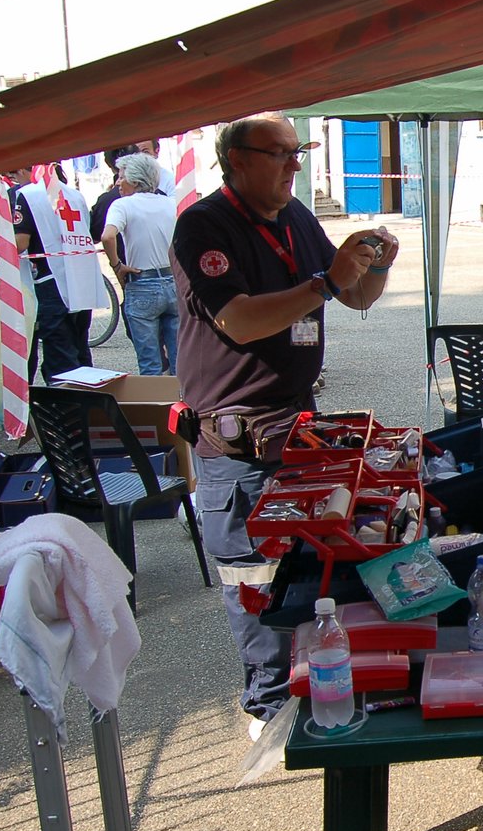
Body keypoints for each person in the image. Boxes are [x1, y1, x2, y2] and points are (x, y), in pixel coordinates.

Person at [171, 112, 400, 738]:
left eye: (298, 153)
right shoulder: (203, 226)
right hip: (237, 441)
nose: (294, 165)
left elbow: (353, 298)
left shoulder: (297, 217)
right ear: (236, 158)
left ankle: (306, 680)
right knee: (252, 576)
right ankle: (268, 704)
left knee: (308, 563)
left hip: (297, 427)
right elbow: (240, 321)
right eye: (280, 154)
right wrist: (328, 281)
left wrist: (373, 266)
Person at [9, 163, 101, 383]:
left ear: (24, 170)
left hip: (51, 282)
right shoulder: (75, 195)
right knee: (80, 350)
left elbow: (21, 242)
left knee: (60, 357)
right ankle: (85, 406)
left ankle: (64, 411)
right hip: (81, 279)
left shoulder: (27, 195)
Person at [100, 152, 179, 375]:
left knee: (149, 361)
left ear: (134, 180)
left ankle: (154, 407)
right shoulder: (171, 204)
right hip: (172, 280)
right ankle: (183, 404)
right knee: (179, 359)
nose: (118, 182)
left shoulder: (122, 205)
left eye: (121, 176)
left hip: (142, 282)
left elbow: (107, 236)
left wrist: (117, 265)